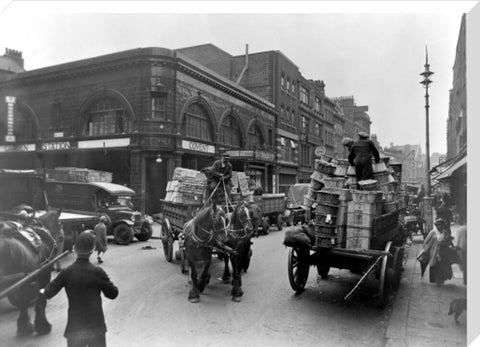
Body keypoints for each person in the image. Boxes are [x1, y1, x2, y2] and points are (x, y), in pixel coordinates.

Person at [43, 231, 119, 347]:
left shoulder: (66, 273)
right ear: (93, 250)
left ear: (75, 248)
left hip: (75, 328)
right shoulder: (98, 272)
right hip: (96, 328)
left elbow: (48, 293)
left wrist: (41, 289)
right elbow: (113, 294)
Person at [418, 218, 454, 286]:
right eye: (438, 225)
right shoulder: (432, 233)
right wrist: (425, 251)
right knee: (433, 265)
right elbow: (427, 242)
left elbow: (449, 241)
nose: (440, 226)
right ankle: (433, 279)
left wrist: (450, 245)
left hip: (442, 252)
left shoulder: (445, 232)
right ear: (436, 226)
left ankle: (441, 279)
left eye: (441, 225)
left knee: (441, 265)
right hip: (433, 252)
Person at [456, 216, 467, 285]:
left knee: (463, 265)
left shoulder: (459, 229)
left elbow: (458, 239)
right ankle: (466, 280)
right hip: (466, 248)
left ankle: (465, 280)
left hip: (460, 248)